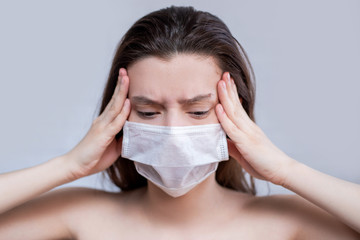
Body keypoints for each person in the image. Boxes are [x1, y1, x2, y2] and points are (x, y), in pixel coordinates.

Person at [0, 5, 359, 239]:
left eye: (198, 111)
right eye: (148, 112)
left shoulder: (285, 224)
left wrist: (285, 170)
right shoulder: (80, 216)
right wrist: (68, 166)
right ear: (118, 117)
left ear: (235, 114)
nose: (174, 133)